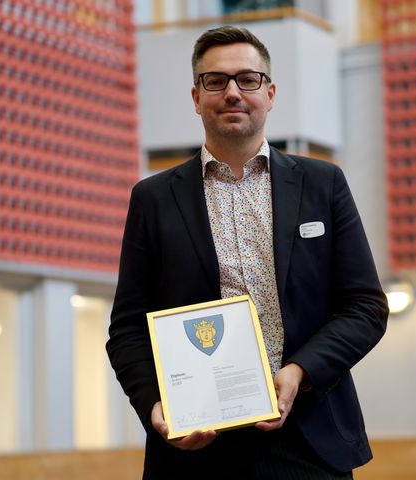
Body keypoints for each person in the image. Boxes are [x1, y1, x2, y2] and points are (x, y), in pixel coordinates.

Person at [107, 25, 388, 479]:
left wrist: (298, 372)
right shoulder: (153, 199)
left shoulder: (323, 184)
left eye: (248, 79)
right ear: (196, 97)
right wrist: (157, 407)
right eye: (215, 81)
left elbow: (365, 307)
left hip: (309, 436)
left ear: (270, 92)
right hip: (195, 445)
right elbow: (127, 329)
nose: (232, 92)